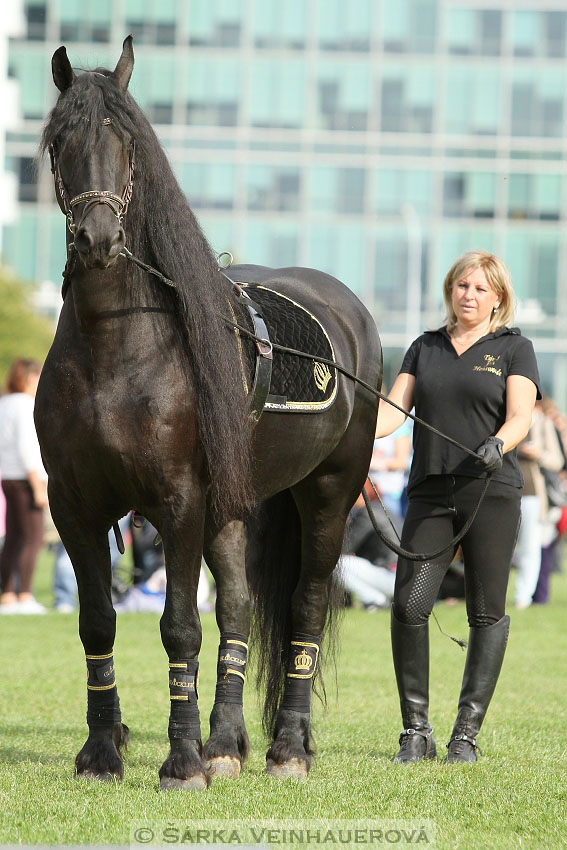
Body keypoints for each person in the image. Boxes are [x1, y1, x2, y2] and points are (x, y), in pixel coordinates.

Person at [375, 250, 540, 764]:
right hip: (429, 492)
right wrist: (349, 428)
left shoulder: (515, 348)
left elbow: (520, 416)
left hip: (490, 493)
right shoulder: (425, 347)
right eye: (462, 286)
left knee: (486, 612)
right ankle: (415, 731)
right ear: (451, 290)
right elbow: (390, 414)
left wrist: (500, 443)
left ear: (498, 299)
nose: (469, 295)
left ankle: (465, 735)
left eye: (480, 289)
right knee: (408, 606)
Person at [0, 359, 48, 614]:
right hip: (26, 479)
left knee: (13, 538)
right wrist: (38, 486)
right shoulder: (26, 405)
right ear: (30, 378)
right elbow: (27, 448)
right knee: (33, 538)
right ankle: (24, 594)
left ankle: (7, 594)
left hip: (8, 476)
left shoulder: (5, 403)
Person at [514, 400, 564, 609]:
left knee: (530, 547)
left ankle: (522, 598)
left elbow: (557, 460)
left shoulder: (542, 423)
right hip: (506, 492)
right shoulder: (505, 417)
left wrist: (538, 455)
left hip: (534, 494)